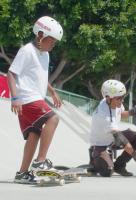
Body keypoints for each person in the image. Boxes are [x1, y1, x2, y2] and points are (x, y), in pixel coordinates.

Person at [7, 16, 63, 184]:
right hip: (26, 98)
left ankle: (22, 173)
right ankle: (40, 161)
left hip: (33, 98)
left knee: (34, 133)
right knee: (53, 118)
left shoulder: (44, 55)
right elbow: (11, 73)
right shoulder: (27, 50)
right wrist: (15, 98)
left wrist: (52, 91)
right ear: (40, 35)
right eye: (51, 40)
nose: (53, 45)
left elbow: (39, 76)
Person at [89, 79, 136, 177]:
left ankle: (119, 166)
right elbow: (122, 140)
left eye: (123, 97)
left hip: (112, 139)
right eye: (119, 98)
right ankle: (95, 160)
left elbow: (122, 114)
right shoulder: (104, 116)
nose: (122, 100)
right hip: (101, 145)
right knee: (107, 172)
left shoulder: (112, 102)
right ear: (108, 98)